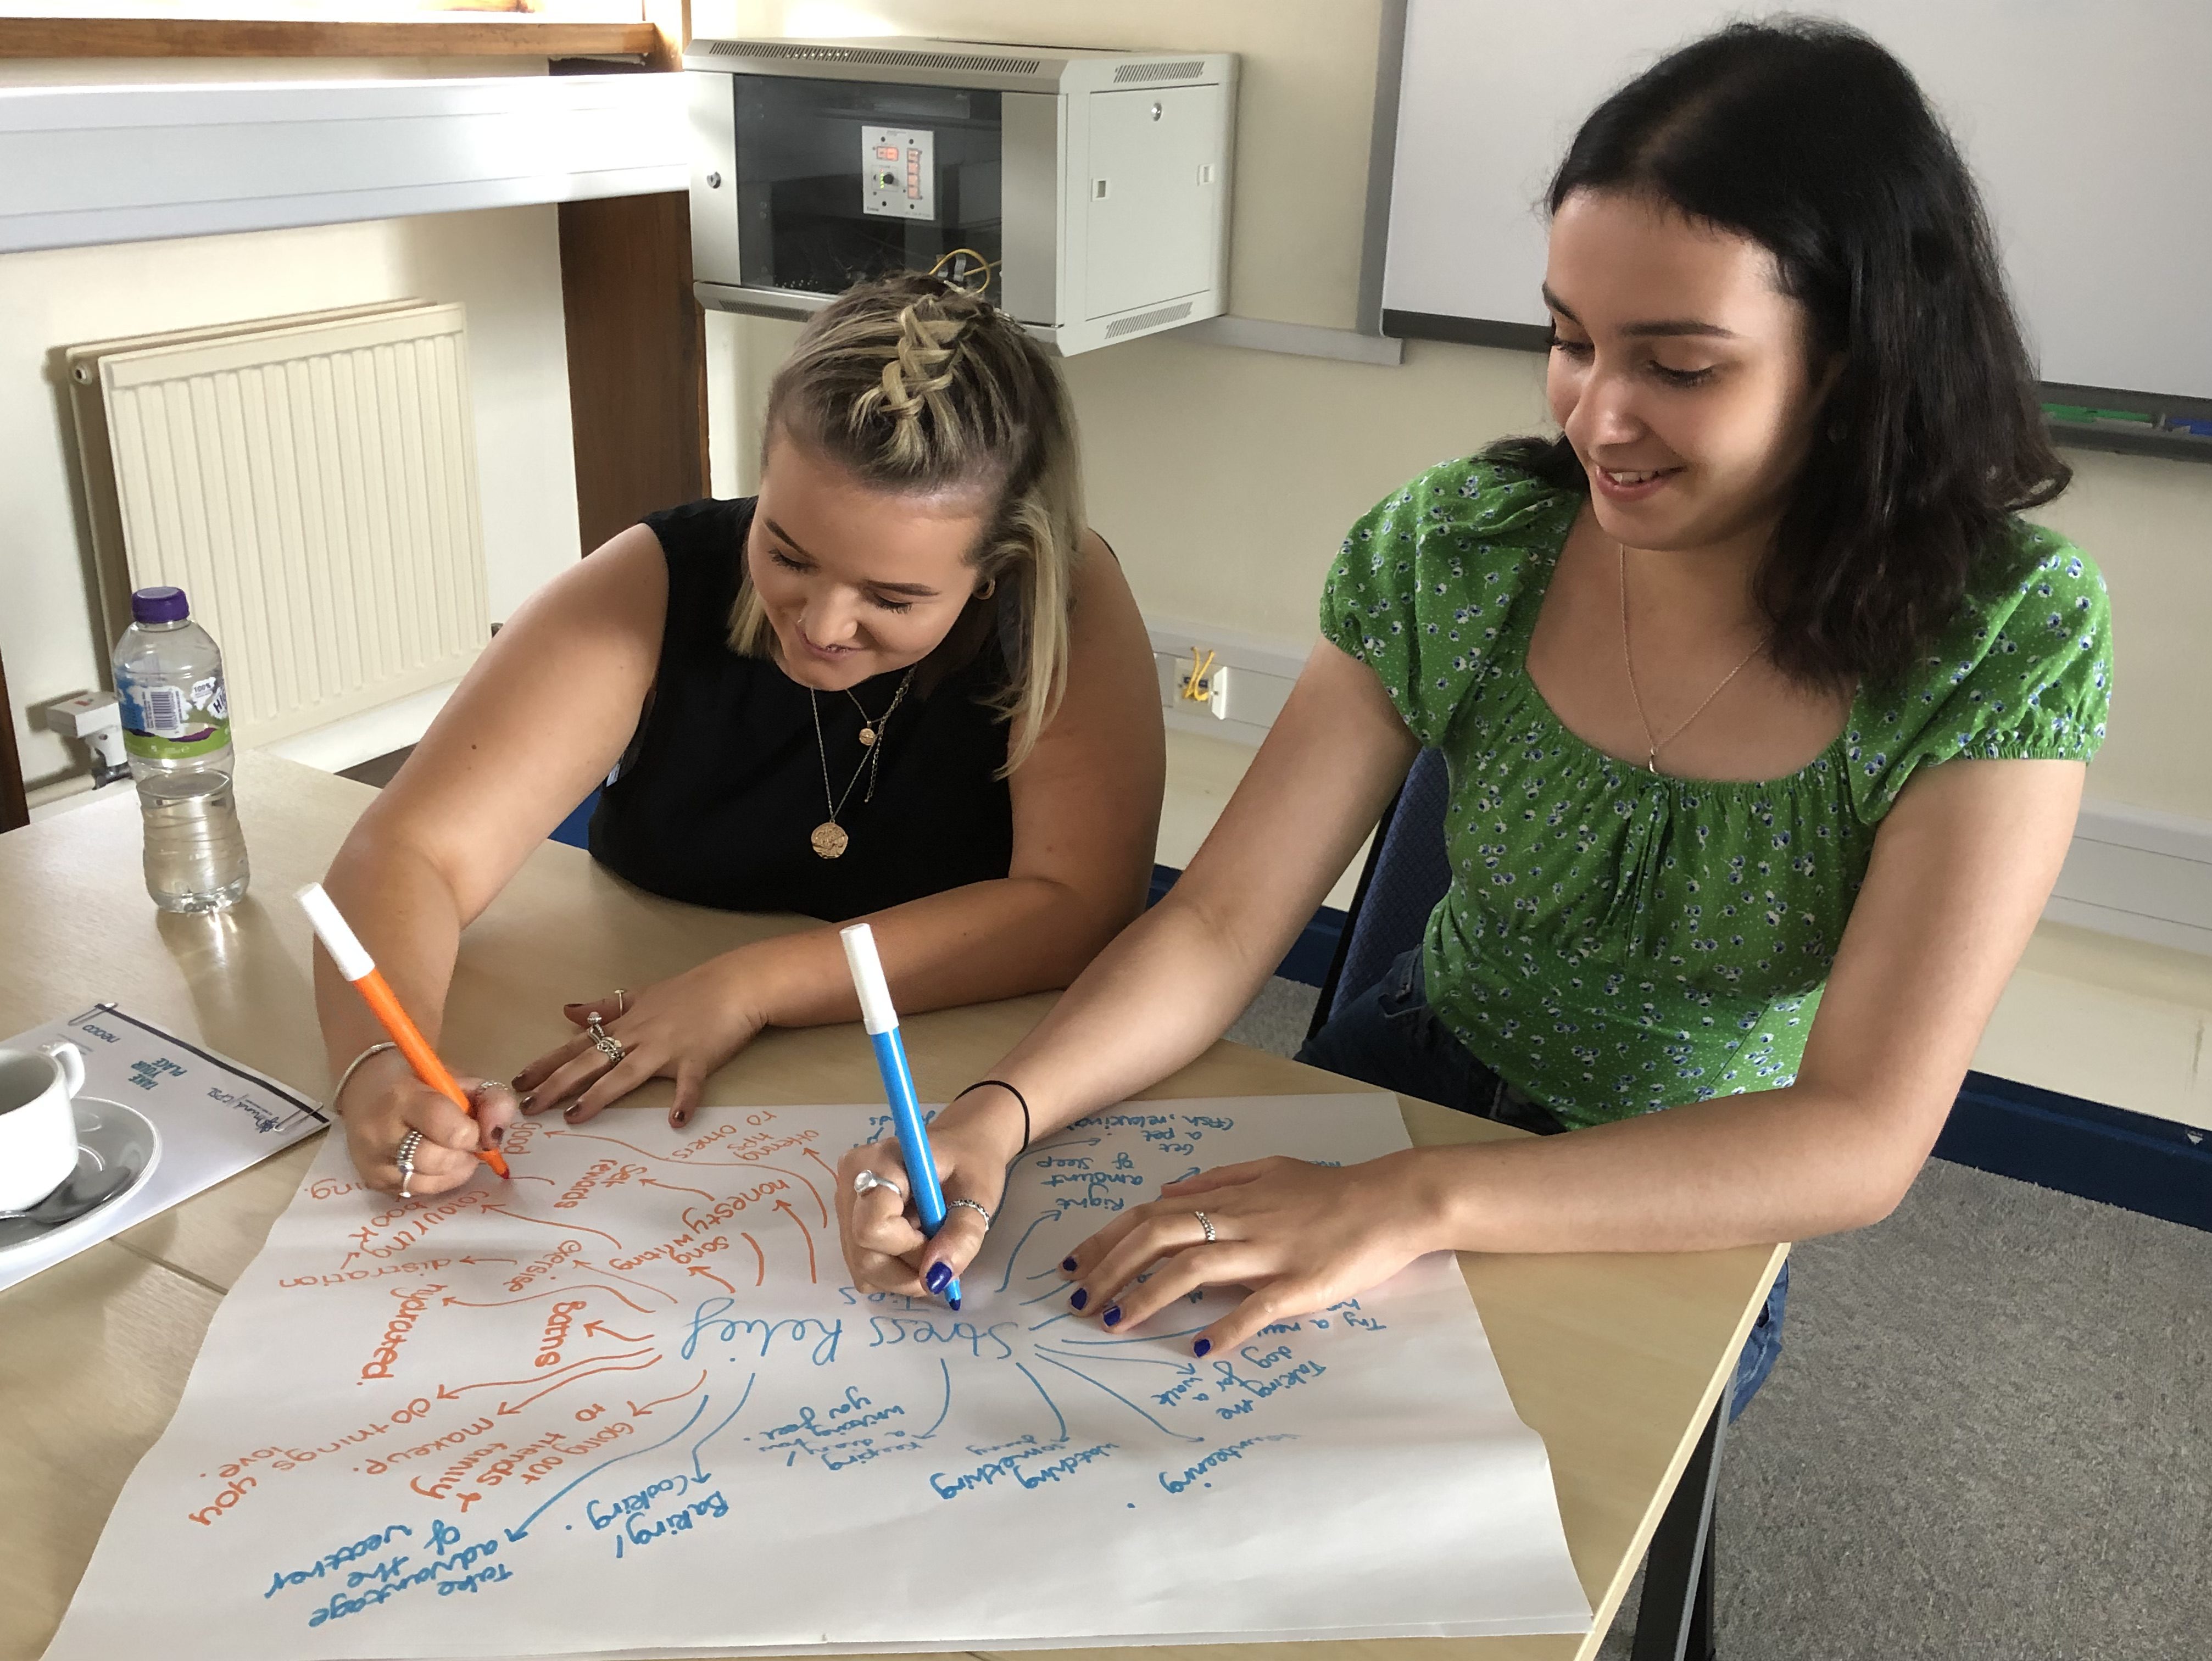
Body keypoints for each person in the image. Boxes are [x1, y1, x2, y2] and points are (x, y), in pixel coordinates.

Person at [833, 21, 2112, 1407]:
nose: (1597, 419)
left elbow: (1857, 1137)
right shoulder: (1467, 548)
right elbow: (1217, 923)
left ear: (1857, 360)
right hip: (1398, 1081)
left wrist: (1420, 1201)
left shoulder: (1999, 634)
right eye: (1569, 340)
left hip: (1679, 1184)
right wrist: (997, 1113)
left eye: (1680, 368)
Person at [314, 274, 1164, 1200]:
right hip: (648, 1105)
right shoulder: (658, 578)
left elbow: (1080, 905)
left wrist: (750, 988)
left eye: (893, 598)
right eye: (788, 554)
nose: (823, 624)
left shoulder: (1060, 595)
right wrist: (379, 1066)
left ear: (998, 568)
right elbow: (415, 850)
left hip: (948, 1087)